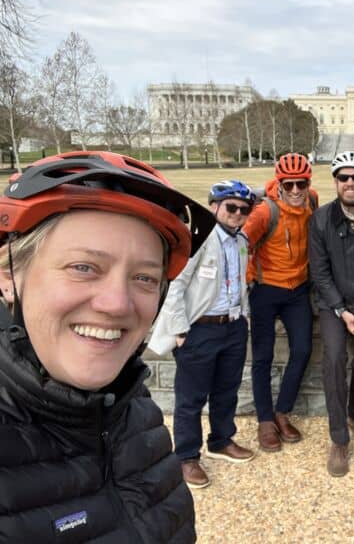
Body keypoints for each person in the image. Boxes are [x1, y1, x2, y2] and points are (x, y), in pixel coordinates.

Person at [0, 151, 214, 542]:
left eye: (144, 278)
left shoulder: (136, 409)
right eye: (84, 267)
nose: (117, 304)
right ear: (9, 274)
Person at [149, 180, 257, 489]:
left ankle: (221, 440)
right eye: (231, 207)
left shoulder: (241, 240)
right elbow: (175, 285)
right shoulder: (197, 240)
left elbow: (239, 281)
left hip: (233, 326)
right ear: (215, 207)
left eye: (243, 209)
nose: (237, 213)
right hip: (201, 329)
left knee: (227, 390)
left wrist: (244, 317)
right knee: (191, 398)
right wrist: (180, 329)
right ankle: (186, 456)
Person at [309, 151, 354, 477]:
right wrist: (341, 310)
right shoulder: (321, 219)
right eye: (343, 178)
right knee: (334, 360)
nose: (349, 183)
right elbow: (319, 271)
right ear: (336, 182)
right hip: (333, 306)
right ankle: (339, 438)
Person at [244, 152, 318, 451]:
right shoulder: (264, 211)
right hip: (266, 289)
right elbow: (241, 244)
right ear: (279, 183)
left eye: (301, 183)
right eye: (289, 185)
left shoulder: (312, 200)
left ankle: (281, 412)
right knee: (262, 356)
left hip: (298, 288)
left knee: (302, 349)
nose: (296, 191)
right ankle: (264, 421)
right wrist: (248, 279)